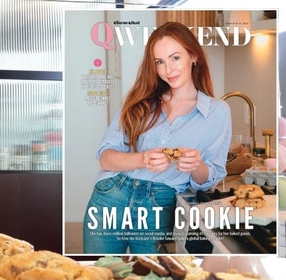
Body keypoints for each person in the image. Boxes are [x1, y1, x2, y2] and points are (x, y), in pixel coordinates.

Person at [82, 21, 231, 254]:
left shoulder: (217, 112)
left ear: (193, 56)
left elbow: (209, 178)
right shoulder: (139, 101)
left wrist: (196, 165)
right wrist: (143, 159)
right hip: (111, 196)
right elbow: (106, 158)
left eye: (175, 58)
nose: (167, 70)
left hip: (159, 205)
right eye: (159, 62)